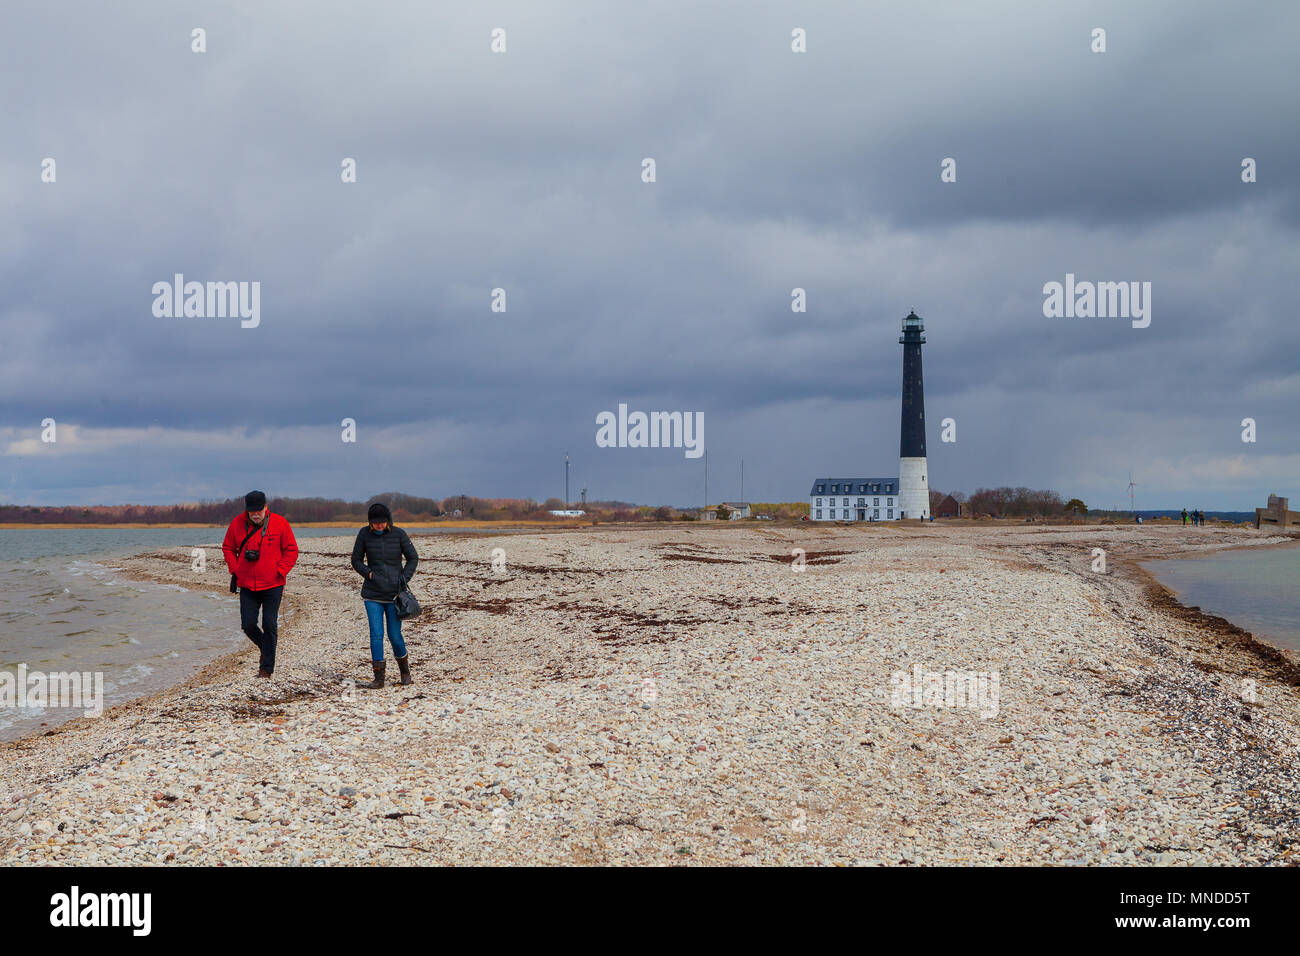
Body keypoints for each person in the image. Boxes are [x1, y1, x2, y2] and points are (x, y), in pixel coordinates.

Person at [222, 491, 299, 678]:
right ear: (246, 510)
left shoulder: (280, 523)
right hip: (247, 584)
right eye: (251, 512)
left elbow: (292, 550)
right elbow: (228, 548)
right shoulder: (236, 524)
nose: (255, 515)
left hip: (273, 584)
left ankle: (266, 669)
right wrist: (235, 569)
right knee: (248, 625)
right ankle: (267, 649)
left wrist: (280, 571)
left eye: (259, 511)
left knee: (269, 624)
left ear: (266, 507)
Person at [350, 502, 419, 688]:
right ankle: (379, 678)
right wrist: (369, 574)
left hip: (394, 596)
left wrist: (404, 578)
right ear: (370, 522)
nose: (379, 525)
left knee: (394, 635)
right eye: (376, 522)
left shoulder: (399, 534)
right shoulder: (364, 534)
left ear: (388, 521)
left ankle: (405, 672)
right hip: (372, 594)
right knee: (376, 635)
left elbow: (413, 557)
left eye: (382, 522)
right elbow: (355, 560)